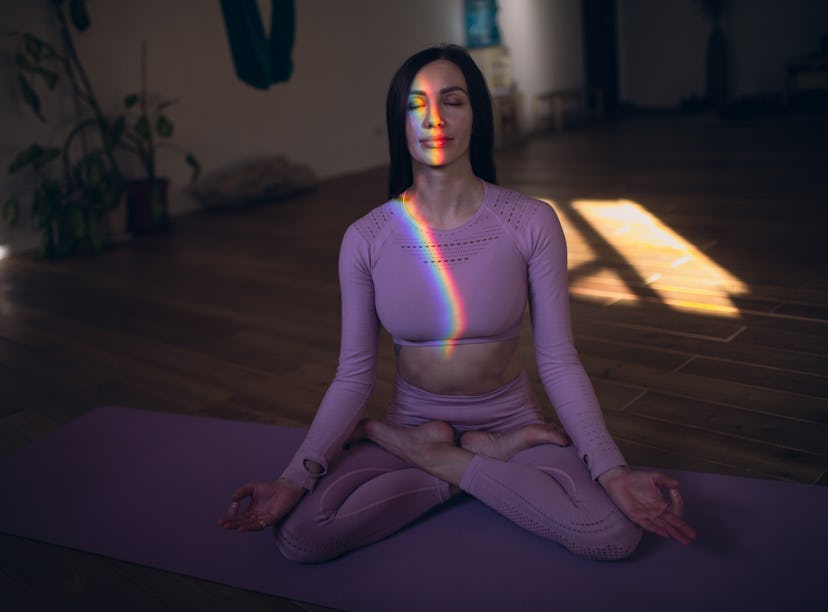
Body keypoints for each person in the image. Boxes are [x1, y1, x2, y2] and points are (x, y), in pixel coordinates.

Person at [218, 44, 696, 562]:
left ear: (476, 116)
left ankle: (449, 458)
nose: (434, 119)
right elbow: (354, 374)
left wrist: (614, 471)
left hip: (513, 425)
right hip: (411, 421)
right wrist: (293, 479)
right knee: (302, 538)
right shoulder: (366, 237)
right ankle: (456, 458)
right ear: (399, 122)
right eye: (415, 104)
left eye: (453, 101)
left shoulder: (530, 221)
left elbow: (558, 359)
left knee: (611, 534)